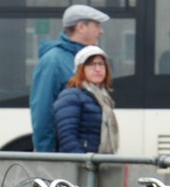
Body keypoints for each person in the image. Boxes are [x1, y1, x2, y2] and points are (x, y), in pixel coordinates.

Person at [31, 5, 108, 154]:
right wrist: (46, 158)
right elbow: (43, 113)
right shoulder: (53, 61)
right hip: (69, 155)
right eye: (97, 25)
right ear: (81, 27)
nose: (101, 31)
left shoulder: (86, 59)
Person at [53, 46, 119, 154]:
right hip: (83, 166)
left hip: (98, 163)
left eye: (101, 64)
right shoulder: (71, 96)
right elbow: (67, 137)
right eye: (91, 64)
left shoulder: (103, 98)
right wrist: (84, 163)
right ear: (80, 69)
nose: (98, 69)